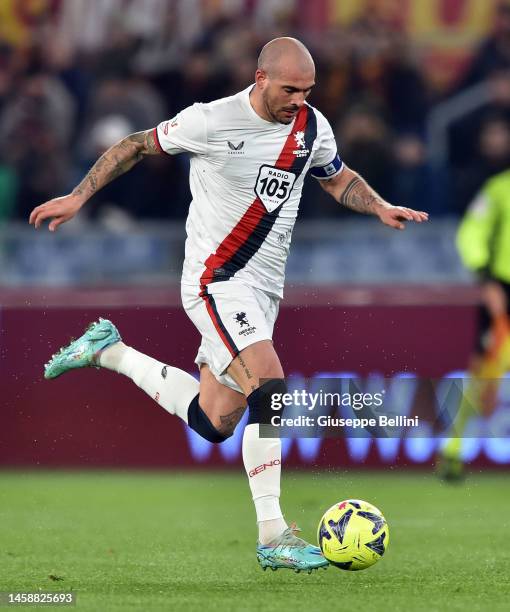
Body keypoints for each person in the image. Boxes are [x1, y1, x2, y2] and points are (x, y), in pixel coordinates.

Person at [29, 37, 428, 572]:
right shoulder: (211, 121)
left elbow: (336, 177)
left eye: (307, 91)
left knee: (215, 419)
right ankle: (274, 534)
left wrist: (378, 206)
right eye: (290, 89)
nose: (299, 101)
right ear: (261, 78)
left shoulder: (312, 126)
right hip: (216, 281)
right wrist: (79, 194)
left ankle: (109, 352)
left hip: (264, 292)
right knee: (272, 386)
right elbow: (135, 144)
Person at [438, 169, 510, 481]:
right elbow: (472, 232)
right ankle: (454, 450)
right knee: (484, 376)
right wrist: (485, 277)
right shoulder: (499, 188)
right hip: (504, 293)